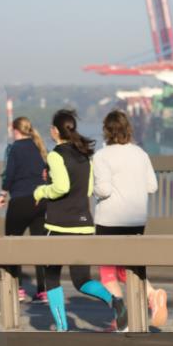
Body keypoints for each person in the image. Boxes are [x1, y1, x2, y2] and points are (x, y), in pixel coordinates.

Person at [33, 109, 125, 332]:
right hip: (83, 225)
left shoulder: (56, 155)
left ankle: (63, 327)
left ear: (55, 131)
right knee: (82, 280)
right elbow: (89, 188)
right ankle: (114, 301)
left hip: (58, 226)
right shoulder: (84, 155)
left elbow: (61, 187)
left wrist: (41, 191)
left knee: (52, 276)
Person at [92, 109, 166, 331]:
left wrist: (94, 190)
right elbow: (152, 186)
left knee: (107, 272)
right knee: (128, 268)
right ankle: (153, 295)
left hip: (110, 220)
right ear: (128, 129)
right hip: (136, 219)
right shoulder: (140, 154)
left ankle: (121, 317)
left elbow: (103, 190)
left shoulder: (102, 156)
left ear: (106, 131)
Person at [0, 117, 49, 302]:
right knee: (39, 246)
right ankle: (43, 291)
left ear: (15, 130)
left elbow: (9, 173)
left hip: (20, 201)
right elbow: (47, 171)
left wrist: (3, 194)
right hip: (40, 201)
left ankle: (17, 289)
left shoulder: (14, 148)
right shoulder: (39, 146)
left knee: (11, 244)